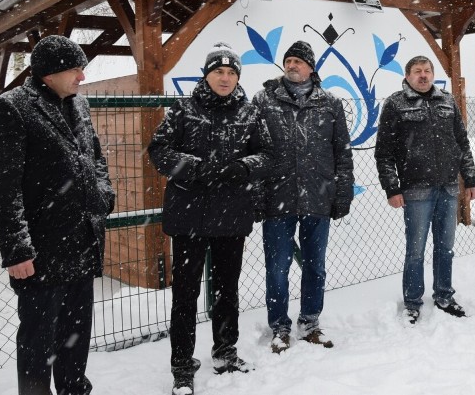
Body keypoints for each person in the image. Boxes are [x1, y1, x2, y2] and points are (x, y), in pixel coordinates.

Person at [0, 35, 115, 395]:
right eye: (75, 69)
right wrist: (17, 249)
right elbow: (1, 186)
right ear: (48, 73)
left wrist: (104, 196)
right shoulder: (10, 108)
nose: (81, 77)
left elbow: (95, 159)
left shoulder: (79, 106)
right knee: (38, 341)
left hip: (83, 243)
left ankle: (74, 390)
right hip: (41, 251)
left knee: (75, 335)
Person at [148, 43, 272, 395]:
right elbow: (158, 149)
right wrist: (195, 169)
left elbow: (267, 155)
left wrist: (241, 168)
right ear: (207, 74)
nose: (225, 77)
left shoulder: (249, 113)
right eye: (219, 71)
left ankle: (225, 352)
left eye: (232, 72)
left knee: (226, 291)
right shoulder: (184, 109)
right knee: (185, 295)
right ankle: (182, 367)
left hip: (231, 217)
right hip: (189, 216)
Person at [252, 40, 354, 353]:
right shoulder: (264, 100)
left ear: (311, 67)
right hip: (277, 197)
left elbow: (342, 152)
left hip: (318, 197)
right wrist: (255, 194)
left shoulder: (330, 103)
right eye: (289, 60)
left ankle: (310, 323)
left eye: (299, 61)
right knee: (277, 267)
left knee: (315, 266)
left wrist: (343, 192)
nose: (293, 65)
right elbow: (252, 150)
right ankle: (279, 327)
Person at [374, 55, 475, 324]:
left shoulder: (447, 100)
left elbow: (462, 143)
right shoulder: (396, 104)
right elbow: (383, 152)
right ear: (408, 76)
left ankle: (444, 295)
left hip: (447, 186)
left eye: (427, 71)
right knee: (416, 249)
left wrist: (470, 178)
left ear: (433, 74)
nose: (423, 75)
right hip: (415, 189)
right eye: (418, 71)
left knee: (445, 247)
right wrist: (392, 188)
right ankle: (412, 301)